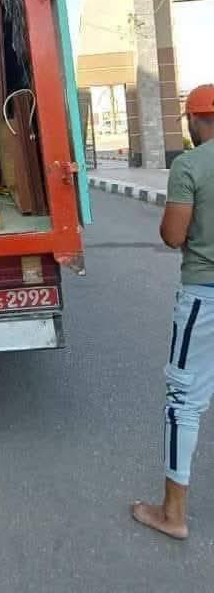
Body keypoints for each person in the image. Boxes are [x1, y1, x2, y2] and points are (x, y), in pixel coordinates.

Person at [132, 84, 214, 540]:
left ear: (194, 121)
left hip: (206, 296)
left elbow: (173, 235)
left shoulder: (190, 165)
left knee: (184, 401)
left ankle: (173, 514)